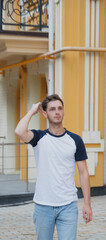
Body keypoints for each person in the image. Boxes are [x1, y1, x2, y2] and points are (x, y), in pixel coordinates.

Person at [14, 94, 92, 240]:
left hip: (68, 205)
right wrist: (32, 111)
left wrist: (87, 203)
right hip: (43, 205)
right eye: (52, 109)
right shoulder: (38, 137)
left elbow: (83, 173)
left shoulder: (75, 140)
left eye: (60, 108)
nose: (57, 112)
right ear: (45, 113)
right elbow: (18, 131)